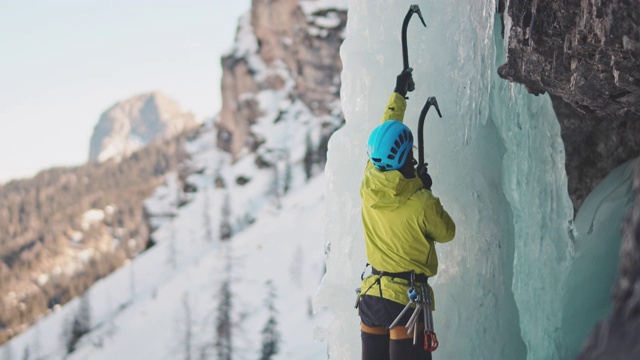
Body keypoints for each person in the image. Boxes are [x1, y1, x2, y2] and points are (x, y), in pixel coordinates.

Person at [356, 68, 456, 360]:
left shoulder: (368, 181)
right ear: (407, 157)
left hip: (372, 295)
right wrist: (424, 188)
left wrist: (399, 93)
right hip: (406, 301)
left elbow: (388, 126)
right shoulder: (421, 202)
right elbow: (447, 232)